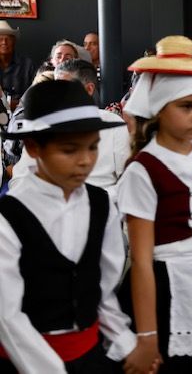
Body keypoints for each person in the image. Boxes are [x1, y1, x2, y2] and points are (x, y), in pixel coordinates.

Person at [0, 80, 154, 373]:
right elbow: (7, 318)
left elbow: (101, 290)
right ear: (33, 148)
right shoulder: (9, 218)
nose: (86, 161)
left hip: (89, 357)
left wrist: (125, 344)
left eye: (93, 147)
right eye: (69, 150)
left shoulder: (100, 205)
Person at [118, 35, 192, 371]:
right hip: (165, 289)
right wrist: (146, 336)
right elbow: (141, 261)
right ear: (158, 109)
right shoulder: (145, 168)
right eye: (186, 107)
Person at [10, 59, 128, 199]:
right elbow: (19, 178)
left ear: (89, 89)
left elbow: (128, 182)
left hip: (100, 206)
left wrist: (96, 199)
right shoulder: (42, 125)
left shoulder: (114, 125)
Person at [0, 20, 35, 107]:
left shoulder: (27, 65)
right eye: (0, 39)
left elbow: (35, 94)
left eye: (8, 39)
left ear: (14, 41)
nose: (4, 42)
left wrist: (18, 104)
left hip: (21, 113)